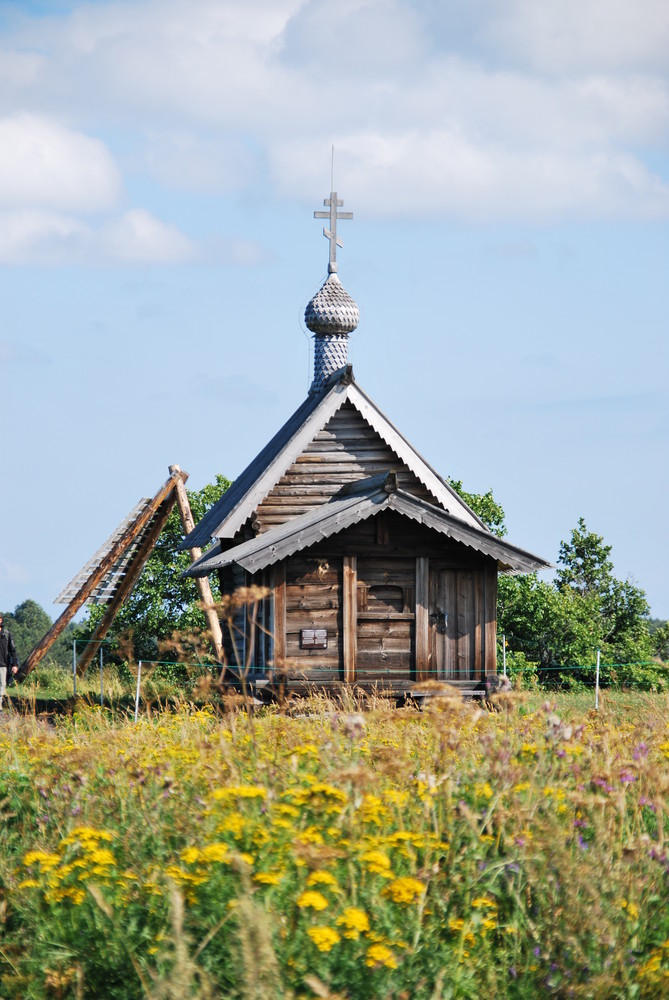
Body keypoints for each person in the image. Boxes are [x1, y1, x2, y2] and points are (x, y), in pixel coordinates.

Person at [0, 613, 19, 711]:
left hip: (3, 665)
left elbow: (12, 650)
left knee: (2, 685)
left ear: (0, 620)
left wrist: (14, 664)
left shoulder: (6, 634)